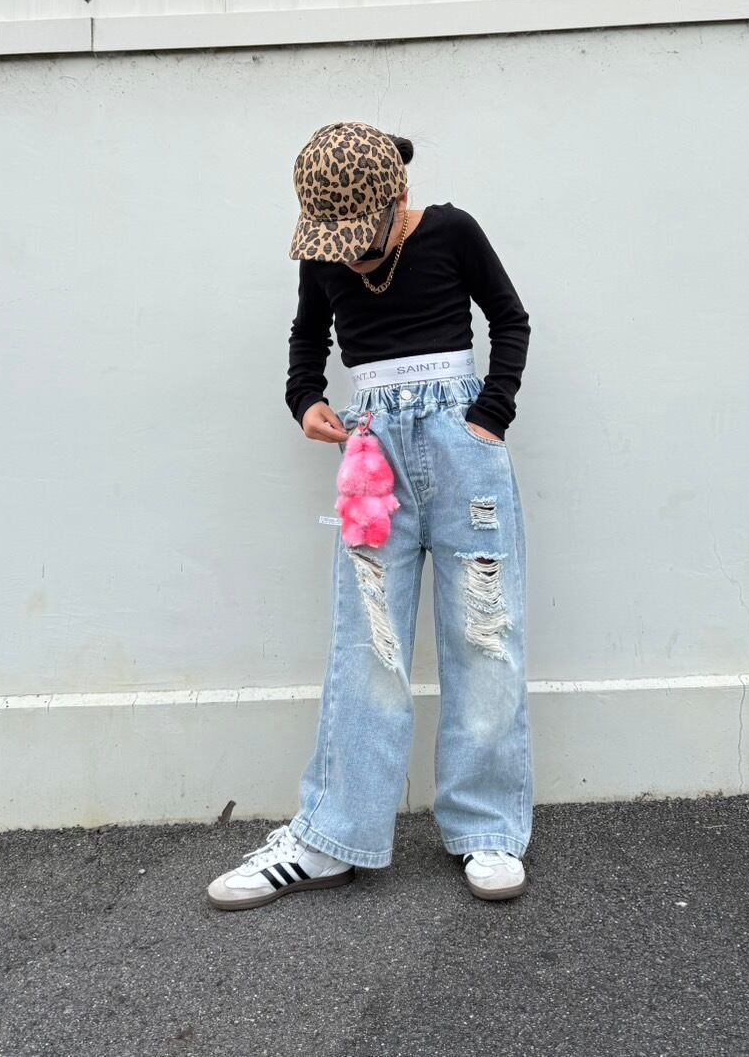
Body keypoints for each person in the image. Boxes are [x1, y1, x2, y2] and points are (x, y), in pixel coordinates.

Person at [207, 121, 533, 909]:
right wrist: (306, 401)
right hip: (371, 456)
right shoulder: (325, 251)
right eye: (336, 244)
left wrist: (489, 414)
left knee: (483, 635)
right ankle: (332, 837)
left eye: (361, 241)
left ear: (400, 197)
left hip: (463, 450)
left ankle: (488, 826)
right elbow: (306, 338)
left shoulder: (452, 231)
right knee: (367, 644)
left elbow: (510, 319)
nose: (349, 258)